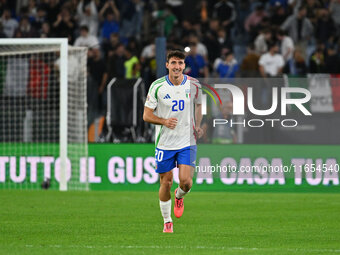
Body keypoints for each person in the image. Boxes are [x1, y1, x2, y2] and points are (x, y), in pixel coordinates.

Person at [143, 50, 203, 233]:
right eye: (173, 63)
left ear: (184, 65)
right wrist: (163, 121)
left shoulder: (194, 84)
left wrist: (198, 125)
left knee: (186, 182)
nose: (177, 66)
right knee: (166, 182)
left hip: (187, 139)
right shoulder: (157, 86)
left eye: (180, 63)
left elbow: (199, 105)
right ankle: (167, 221)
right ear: (167, 65)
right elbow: (146, 115)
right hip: (165, 142)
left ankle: (179, 196)